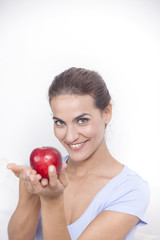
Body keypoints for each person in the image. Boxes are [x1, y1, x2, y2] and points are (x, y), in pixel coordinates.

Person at [7, 67, 150, 240]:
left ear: (107, 113)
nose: (70, 136)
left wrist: (52, 201)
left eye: (82, 120)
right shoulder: (39, 175)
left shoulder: (130, 190)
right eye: (60, 122)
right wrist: (29, 193)